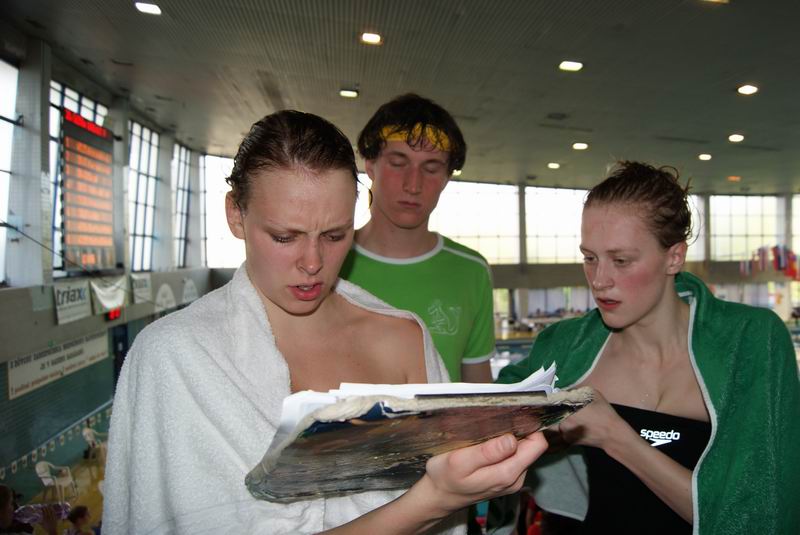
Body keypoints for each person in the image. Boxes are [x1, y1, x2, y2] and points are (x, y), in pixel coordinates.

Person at [103, 110, 547, 534]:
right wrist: (433, 500)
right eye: (285, 237)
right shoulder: (176, 356)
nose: (313, 262)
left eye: (335, 235)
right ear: (236, 215)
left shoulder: (403, 337)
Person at [498, 161, 800, 534]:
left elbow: (755, 516)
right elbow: (480, 427)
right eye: (589, 258)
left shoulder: (748, 342)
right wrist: (543, 437)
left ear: (674, 257)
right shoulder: (565, 346)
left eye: (621, 261)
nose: (599, 280)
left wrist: (615, 436)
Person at [340, 93, 494, 383]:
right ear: (370, 165)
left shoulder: (471, 271)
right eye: (398, 163)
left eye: (431, 168)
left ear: (446, 178)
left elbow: (478, 388)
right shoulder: (331, 262)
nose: (413, 185)